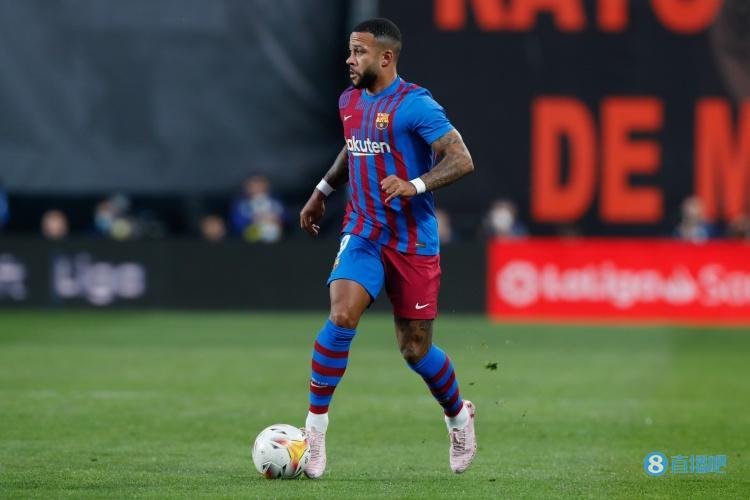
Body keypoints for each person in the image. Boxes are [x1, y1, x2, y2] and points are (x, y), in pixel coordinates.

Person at [298, 18, 476, 478]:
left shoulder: (416, 104)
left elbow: (461, 158)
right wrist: (322, 190)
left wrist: (416, 184)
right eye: (350, 50)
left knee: (414, 349)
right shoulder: (349, 101)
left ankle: (458, 416)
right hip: (363, 232)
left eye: (358, 52)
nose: (349, 59)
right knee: (342, 315)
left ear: (386, 57)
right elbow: (353, 147)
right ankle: (314, 432)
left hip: (412, 241)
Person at [229, 175, 284, 243]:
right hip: (250, 241)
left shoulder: (275, 202)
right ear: (247, 188)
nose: (258, 189)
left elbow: (287, 217)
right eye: (255, 186)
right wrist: (254, 220)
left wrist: (277, 218)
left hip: (277, 238)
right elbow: (236, 224)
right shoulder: (241, 204)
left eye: (261, 186)